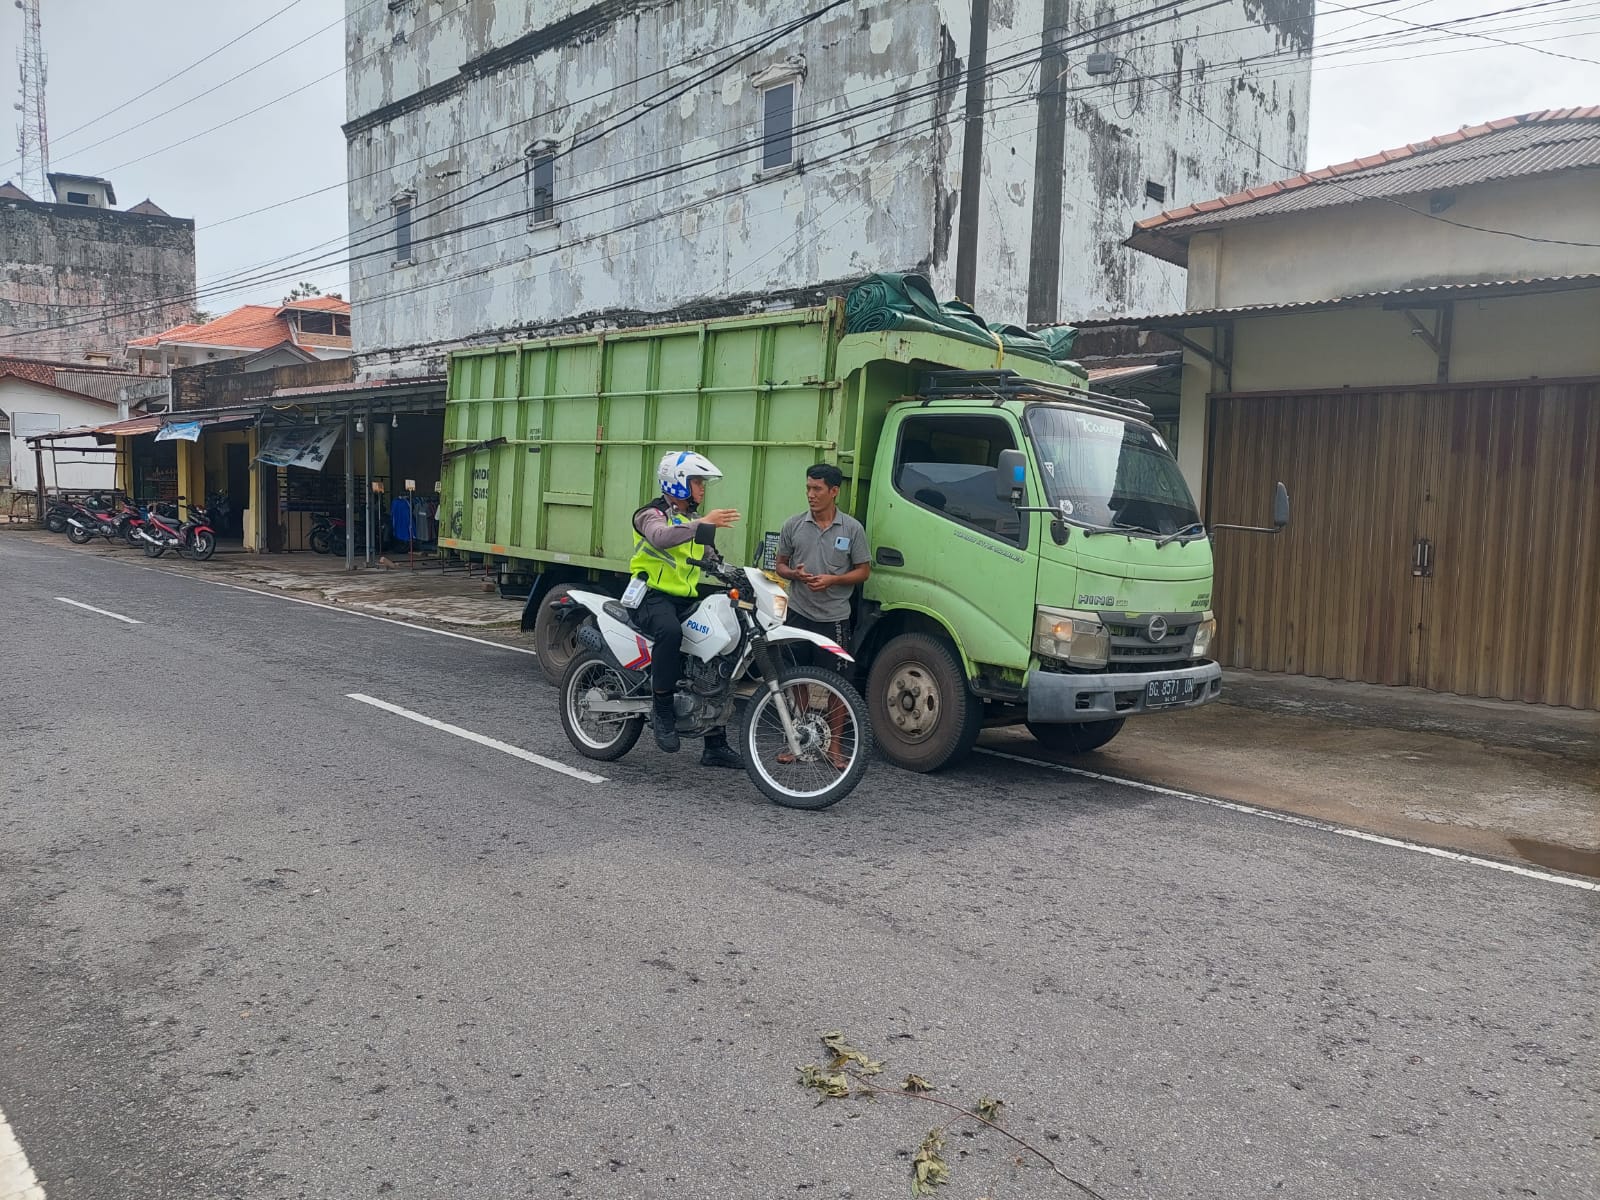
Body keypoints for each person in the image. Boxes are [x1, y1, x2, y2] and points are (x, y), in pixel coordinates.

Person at [630, 450, 742, 765]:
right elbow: (661, 538)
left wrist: (738, 574)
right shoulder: (651, 514)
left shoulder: (693, 520)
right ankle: (662, 710)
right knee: (670, 631)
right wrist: (703, 523)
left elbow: (711, 558)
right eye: (697, 482)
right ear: (678, 483)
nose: (703, 489)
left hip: (684, 598)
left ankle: (714, 744)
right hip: (651, 596)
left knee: (718, 646)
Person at [773, 464, 871, 767]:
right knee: (794, 678)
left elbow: (863, 571)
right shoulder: (794, 525)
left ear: (834, 491)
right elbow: (780, 565)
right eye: (808, 488)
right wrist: (795, 575)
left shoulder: (852, 528)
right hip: (799, 613)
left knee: (838, 683)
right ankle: (796, 741)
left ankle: (834, 747)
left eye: (817, 489)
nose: (811, 495)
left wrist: (833, 580)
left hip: (835, 618)